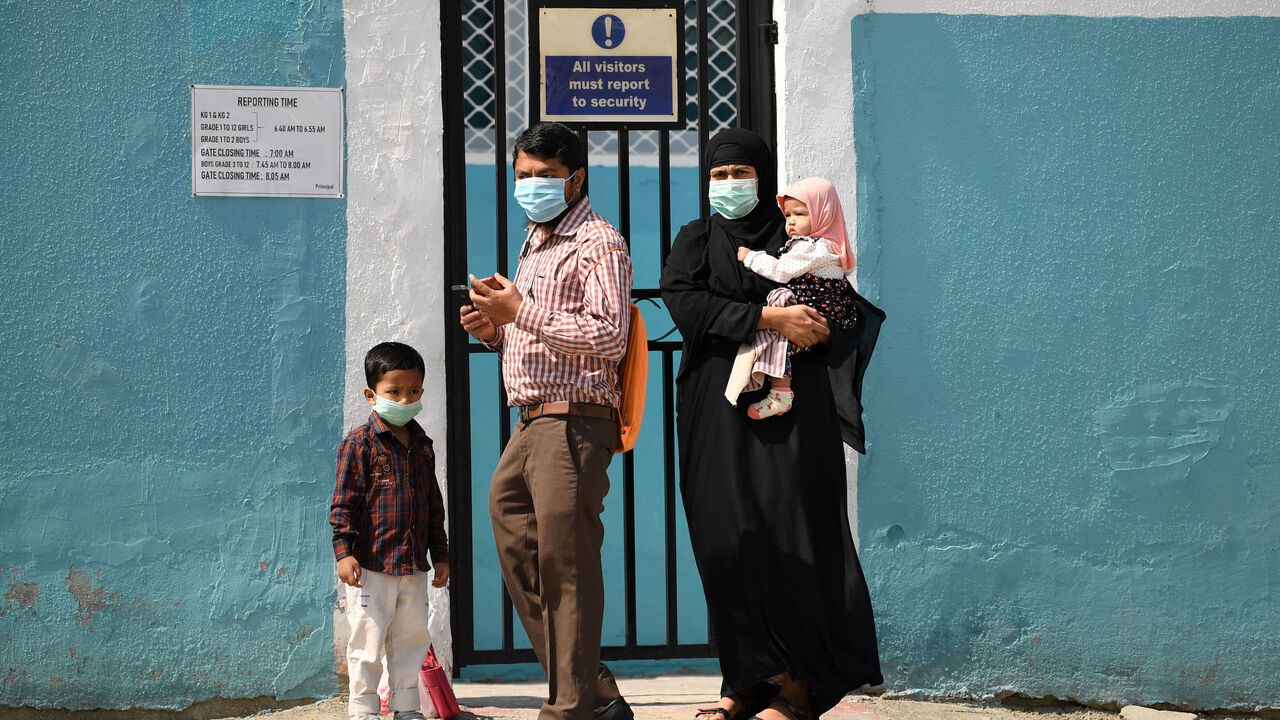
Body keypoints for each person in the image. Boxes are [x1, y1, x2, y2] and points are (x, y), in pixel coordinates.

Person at [660, 129, 884, 720]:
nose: (729, 185)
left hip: (792, 408)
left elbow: (837, 306)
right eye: (718, 174)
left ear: (765, 178)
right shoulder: (696, 240)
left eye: (741, 173)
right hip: (716, 403)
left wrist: (810, 324)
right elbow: (685, 303)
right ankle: (744, 680)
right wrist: (766, 315)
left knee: (793, 533)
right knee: (725, 538)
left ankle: (797, 685)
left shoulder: (796, 240)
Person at [459, 121, 635, 720]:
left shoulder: (598, 242)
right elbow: (536, 331)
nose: (530, 185)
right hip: (531, 421)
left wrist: (521, 311)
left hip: (573, 421)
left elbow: (609, 336)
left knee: (566, 568)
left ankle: (570, 709)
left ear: (575, 177)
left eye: (544, 176)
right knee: (518, 547)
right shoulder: (537, 242)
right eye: (522, 176)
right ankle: (598, 690)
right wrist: (496, 330)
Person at [330, 341, 450, 720]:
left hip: (413, 567)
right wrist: (343, 551)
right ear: (371, 394)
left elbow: (433, 506)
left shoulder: (423, 446)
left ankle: (406, 707)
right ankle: (363, 709)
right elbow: (344, 503)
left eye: (413, 391)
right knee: (367, 643)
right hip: (371, 568)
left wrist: (441, 554)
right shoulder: (359, 444)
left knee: (411, 640)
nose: (405, 398)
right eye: (393, 392)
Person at [732, 177, 860, 420]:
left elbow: (781, 271)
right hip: (827, 311)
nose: (790, 221)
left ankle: (780, 394)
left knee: (777, 335)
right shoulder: (830, 246)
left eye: (800, 214)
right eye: (788, 215)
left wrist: (750, 257)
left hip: (811, 309)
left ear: (824, 213)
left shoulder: (812, 247)